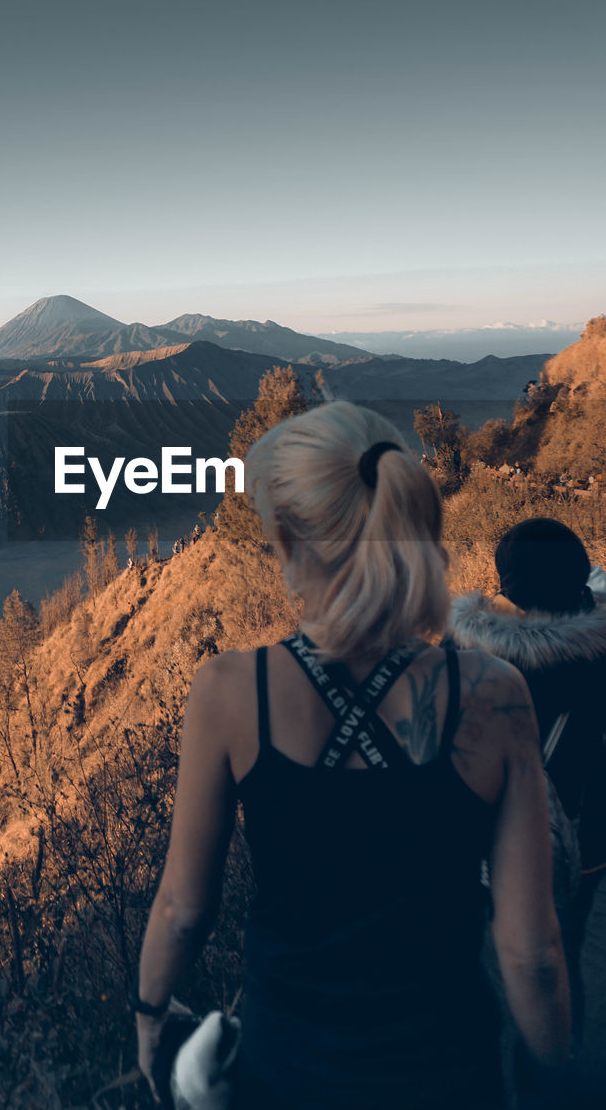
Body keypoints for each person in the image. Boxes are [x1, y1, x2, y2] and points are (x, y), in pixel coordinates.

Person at [135, 401, 571, 1109]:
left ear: (284, 539)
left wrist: (149, 1017)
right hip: (450, 1076)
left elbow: (185, 909)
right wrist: (555, 1071)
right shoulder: (494, 694)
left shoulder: (229, 692)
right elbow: (533, 954)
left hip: (286, 1074)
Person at [449, 519, 606, 1018]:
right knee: (571, 962)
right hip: (584, 851)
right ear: (577, 588)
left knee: (499, 983)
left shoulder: (455, 657)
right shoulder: (594, 662)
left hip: (485, 855)